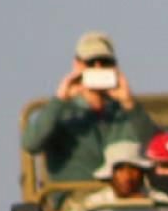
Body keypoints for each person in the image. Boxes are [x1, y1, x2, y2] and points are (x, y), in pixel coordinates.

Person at [20, 33, 157, 183]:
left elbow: (156, 150)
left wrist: (130, 104)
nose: (98, 67)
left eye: (105, 62)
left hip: (122, 197)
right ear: (77, 65)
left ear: (114, 66)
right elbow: (31, 144)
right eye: (90, 63)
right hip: (76, 198)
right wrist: (60, 99)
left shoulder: (126, 113)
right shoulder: (62, 113)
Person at [80, 142, 153, 207]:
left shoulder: (159, 202)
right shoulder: (94, 204)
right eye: (120, 169)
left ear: (142, 172)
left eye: (133, 169)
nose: (127, 176)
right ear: (110, 174)